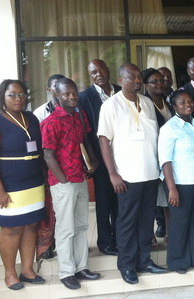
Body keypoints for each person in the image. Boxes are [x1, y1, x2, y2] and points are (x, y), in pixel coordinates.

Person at [98, 63, 169, 285]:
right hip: (126, 175)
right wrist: (112, 174)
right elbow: (104, 140)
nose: (137, 81)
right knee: (127, 221)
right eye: (132, 77)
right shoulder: (111, 106)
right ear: (121, 80)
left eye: (139, 77)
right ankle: (127, 265)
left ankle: (144, 260)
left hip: (150, 173)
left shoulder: (147, 103)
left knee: (146, 219)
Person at [0, 80, 46, 290]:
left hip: (33, 182)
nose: (18, 98)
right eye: (13, 95)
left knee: (31, 225)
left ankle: (27, 270)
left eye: (22, 94)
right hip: (8, 185)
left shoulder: (31, 117)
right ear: (2, 97)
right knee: (12, 228)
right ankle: (10, 274)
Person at [41, 78, 101, 289]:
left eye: (74, 92)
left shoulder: (79, 116)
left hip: (80, 178)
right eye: (66, 93)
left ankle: (81, 267)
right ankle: (67, 272)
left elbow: (84, 141)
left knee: (81, 226)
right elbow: (48, 155)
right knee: (66, 229)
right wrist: (63, 180)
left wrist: (92, 162)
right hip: (63, 182)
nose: (72, 96)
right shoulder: (50, 122)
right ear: (57, 95)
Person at [158, 90, 194, 274]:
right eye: (182, 102)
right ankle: (177, 261)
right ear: (174, 106)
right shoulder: (169, 128)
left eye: (190, 101)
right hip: (180, 183)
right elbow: (165, 160)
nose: (188, 104)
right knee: (180, 223)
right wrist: (171, 188)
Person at [78, 59, 121, 256]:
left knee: (122, 200)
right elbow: (86, 134)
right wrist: (92, 159)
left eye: (101, 69)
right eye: (94, 72)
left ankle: (121, 238)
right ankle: (105, 241)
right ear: (90, 76)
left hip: (125, 154)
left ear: (108, 70)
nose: (99, 74)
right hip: (101, 157)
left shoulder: (122, 90)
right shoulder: (84, 97)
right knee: (104, 201)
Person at [33, 74, 65, 262]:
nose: (58, 89)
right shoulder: (40, 113)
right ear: (49, 90)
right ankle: (47, 245)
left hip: (69, 169)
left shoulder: (74, 110)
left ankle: (65, 244)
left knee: (65, 211)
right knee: (48, 210)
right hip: (47, 168)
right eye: (55, 86)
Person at [142, 68, 174, 244]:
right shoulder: (144, 104)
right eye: (155, 81)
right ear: (146, 85)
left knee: (168, 198)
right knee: (151, 199)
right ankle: (150, 235)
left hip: (169, 158)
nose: (160, 84)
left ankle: (170, 234)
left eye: (162, 81)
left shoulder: (168, 102)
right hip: (151, 157)